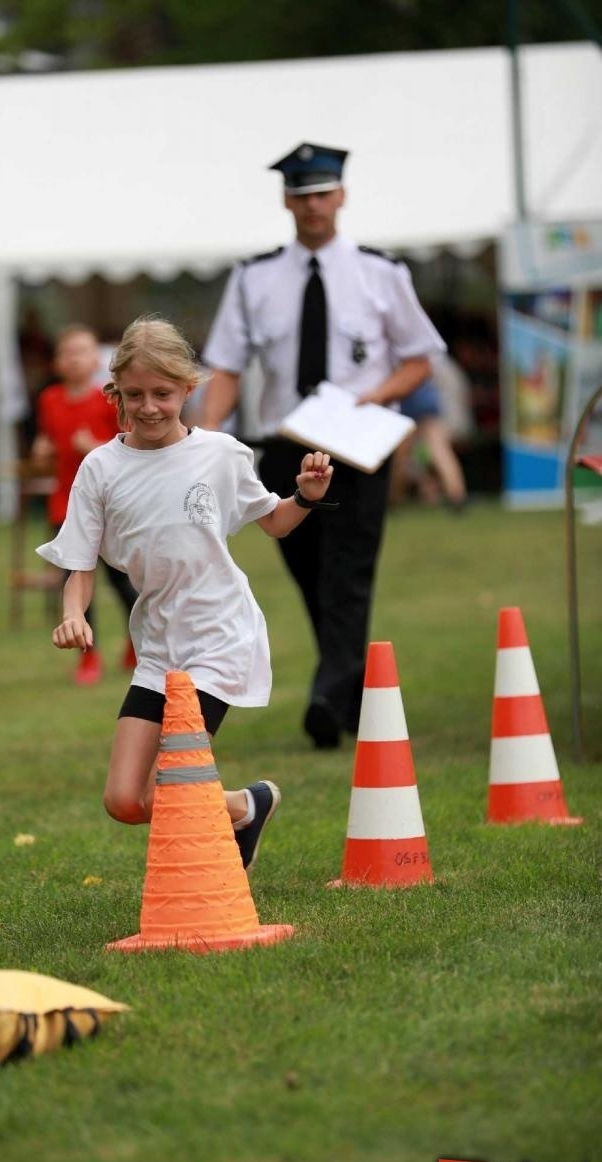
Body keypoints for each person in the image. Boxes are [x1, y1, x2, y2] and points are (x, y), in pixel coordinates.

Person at [35, 316, 334, 871]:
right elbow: (78, 559)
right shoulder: (99, 469)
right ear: (115, 393)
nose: (148, 407)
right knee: (126, 801)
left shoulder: (220, 454)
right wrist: (73, 613)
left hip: (220, 640)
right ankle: (246, 807)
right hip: (159, 651)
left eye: (163, 394)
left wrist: (305, 496)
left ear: (188, 389)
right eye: (134, 395)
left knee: (167, 787)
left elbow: (275, 523)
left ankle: (225, 840)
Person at [201, 142, 446, 749]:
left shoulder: (380, 272)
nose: (313, 207)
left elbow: (421, 359)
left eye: (322, 194)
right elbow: (226, 365)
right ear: (287, 201)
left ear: (341, 196)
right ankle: (348, 695)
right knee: (309, 573)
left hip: (359, 448)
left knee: (348, 573)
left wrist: (373, 397)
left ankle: (325, 692)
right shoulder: (254, 277)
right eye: (301, 196)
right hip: (286, 445)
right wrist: (203, 438)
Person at [32, 324, 138, 685]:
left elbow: (126, 449)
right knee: (74, 583)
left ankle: (136, 642)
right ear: (57, 362)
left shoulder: (108, 400)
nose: (75, 359)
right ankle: (88, 655)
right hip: (66, 506)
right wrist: (42, 449)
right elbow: (49, 442)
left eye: (82, 351)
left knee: (121, 580)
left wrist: (93, 445)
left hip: (108, 505)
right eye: (67, 352)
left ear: (97, 359)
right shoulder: (49, 400)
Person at [389, 372, 468, 508]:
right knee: (441, 451)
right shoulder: (420, 356)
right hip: (428, 400)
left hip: (406, 401)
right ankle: (457, 496)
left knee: (400, 458)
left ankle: (393, 500)